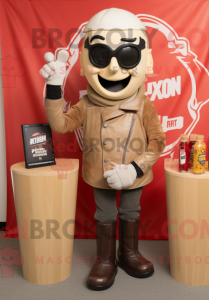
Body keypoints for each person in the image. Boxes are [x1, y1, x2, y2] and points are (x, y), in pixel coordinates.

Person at [40, 8, 165, 290]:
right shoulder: (87, 105)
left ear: (145, 61)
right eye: (101, 56)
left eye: (127, 56)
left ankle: (128, 253)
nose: (113, 68)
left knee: (131, 212)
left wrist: (134, 168)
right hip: (100, 171)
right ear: (86, 63)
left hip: (135, 173)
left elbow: (158, 141)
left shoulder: (144, 106)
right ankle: (106, 258)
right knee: (105, 215)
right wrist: (54, 88)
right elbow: (60, 125)